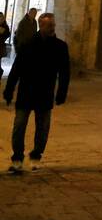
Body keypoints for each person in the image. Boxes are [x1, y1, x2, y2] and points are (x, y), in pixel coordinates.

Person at [4, 13, 70, 174]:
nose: (52, 28)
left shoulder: (60, 47)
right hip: (27, 91)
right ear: (41, 25)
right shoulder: (28, 44)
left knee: (43, 127)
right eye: (49, 25)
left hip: (45, 92)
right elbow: (16, 69)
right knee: (19, 125)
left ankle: (36, 155)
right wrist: (9, 90)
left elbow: (65, 72)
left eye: (53, 25)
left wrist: (61, 92)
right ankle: (17, 158)